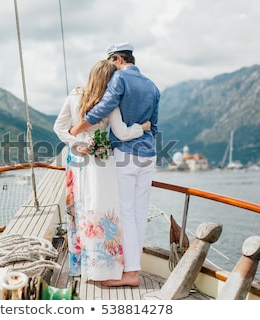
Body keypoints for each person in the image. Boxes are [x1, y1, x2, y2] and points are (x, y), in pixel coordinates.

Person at [70, 42, 160, 287]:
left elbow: (106, 106)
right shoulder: (152, 86)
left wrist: (78, 127)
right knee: (140, 213)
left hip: (126, 155)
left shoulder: (119, 79)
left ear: (118, 59)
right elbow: (154, 125)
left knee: (126, 214)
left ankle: (130, 273)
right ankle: (133, 268)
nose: (109, 68)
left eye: (110, 61)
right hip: (148, 155)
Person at [53, 59, 151, 281]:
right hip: (100, 162)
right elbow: (123, 133)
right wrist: (143, 127)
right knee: (103, 208)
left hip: (77, 160)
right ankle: (103, 267)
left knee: (80, 207)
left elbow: (58, 127)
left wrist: (76, 143)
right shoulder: (109, 103)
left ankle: (81, 266)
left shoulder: (74, 96)